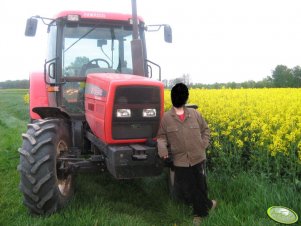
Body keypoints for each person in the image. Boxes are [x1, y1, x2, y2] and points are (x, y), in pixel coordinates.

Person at [157, 83, 216, 226]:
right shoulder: (166, 118)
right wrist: (163, 150)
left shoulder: (195, 114)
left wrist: (203, 144)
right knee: (187, 188)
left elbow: (205, 130)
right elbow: (161, 137)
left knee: (200, 185)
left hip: (198, 157)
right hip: (180, 159)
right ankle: (209, 204)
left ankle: (199, 214)